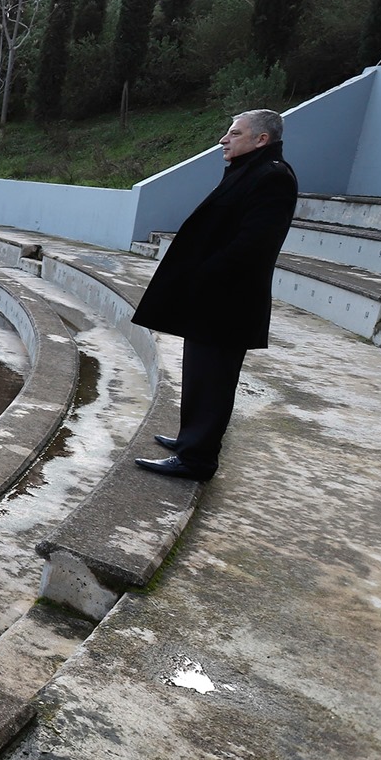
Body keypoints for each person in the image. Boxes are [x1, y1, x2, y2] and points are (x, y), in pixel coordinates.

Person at [131, 109, 298, 482]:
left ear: (261, 140)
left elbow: (255, 243)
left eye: (234, 133)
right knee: (199, 376)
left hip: (228, 303)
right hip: (215, 300)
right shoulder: (251, 171)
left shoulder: (273, 177)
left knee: (213, 381)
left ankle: (198, 459)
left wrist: (204, 275)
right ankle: (191, 441)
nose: (224, 140)